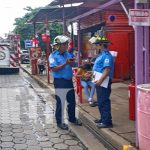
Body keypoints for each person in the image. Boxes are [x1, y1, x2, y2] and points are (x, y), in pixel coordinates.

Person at [49, 35, 82, 130]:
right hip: (60, 82)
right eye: (64, 44)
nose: (66, 46)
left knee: (72, 101)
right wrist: (65, 64)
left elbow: (72, 64)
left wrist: (72, 62)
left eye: (66, 44)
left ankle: (72, 118)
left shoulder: (68, 54)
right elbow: (54, 69)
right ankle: (60, 122)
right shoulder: (52, 56)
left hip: (68, 81)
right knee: (61, 102)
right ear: (58, 46)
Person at [89, 35, 114, 128]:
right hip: (99, 81)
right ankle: (103, 118)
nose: (95, 46)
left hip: (103, 81)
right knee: (100, 101)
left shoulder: (107, 56)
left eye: (96, 45)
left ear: (101, 45)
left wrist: (99, 80)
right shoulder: (101, 55)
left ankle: (107, 122)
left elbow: (107, 70)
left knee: (104, 101)